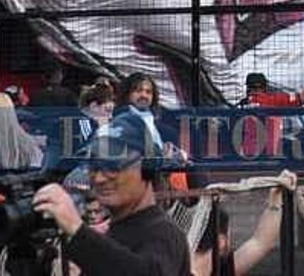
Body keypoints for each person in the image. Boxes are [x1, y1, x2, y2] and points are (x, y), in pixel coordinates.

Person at [31, 112, 191, 276]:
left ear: (147, 168)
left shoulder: (164, 234)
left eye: (113, 167)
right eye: (94, 167)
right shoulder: (112, 234)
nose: (99, 178)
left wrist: (76, 229)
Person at [189, 172, 296, 276]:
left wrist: (275, 203)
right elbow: (260, 242)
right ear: (221, 241)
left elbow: (260, 242)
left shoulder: (220, 267)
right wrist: (275, 203)